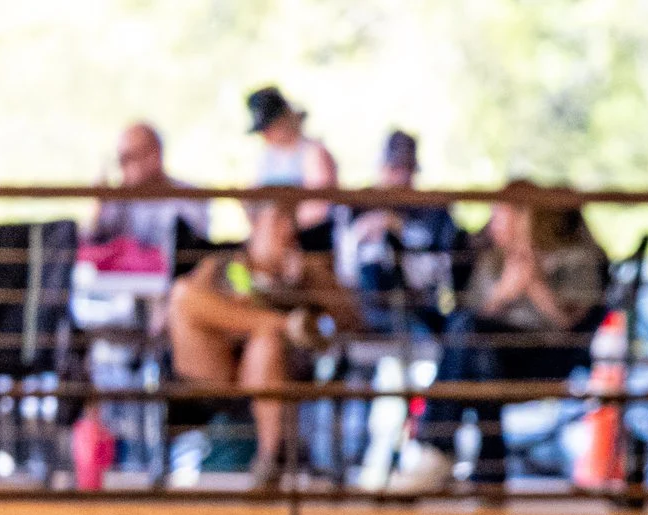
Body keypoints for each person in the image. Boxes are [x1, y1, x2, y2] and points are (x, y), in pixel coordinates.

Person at [419, 183, 608, 485]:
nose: (492, 223)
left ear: (526, 216)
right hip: (491, 357)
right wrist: (503, 295)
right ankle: (487, 468)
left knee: (474, 341)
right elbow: (465, 320)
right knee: (479, 352)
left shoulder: (576, 257)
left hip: (544, 357)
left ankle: (438, 447)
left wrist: (534, 284)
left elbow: (572, 330)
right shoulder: (492, 260)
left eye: (500, 213)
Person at [166, 200, 360, 488]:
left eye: (291, 220)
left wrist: (306, 279)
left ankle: (269, 462)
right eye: (278, 219)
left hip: (276, 371)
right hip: (216, 371)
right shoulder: (220, 266)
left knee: (266, 341)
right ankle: (279, 323)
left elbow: (352, 319)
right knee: (183, 295)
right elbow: (179, 309)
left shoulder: (308, 270)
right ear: (255, 224)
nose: (288, 229)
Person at [344, 129, 466, 337]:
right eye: (394, 168)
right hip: (364, 308)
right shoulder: (357, 206)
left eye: (406, 169)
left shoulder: (434, 211)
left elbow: (439, 269)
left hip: (418, 306)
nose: (400, 177)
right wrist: (363, 233)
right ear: (382, 168)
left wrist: (402, 230)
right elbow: (345, 269)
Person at [86, 123, 210, 273]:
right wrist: (98, 205)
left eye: (128, 158)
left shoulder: (188, 197)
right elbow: (92, 244)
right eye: (119, 160)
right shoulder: (117, 201)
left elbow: (191, 251)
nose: (122, 167)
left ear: (154, 156)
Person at [245, 86, 340, 252]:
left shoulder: (313, 153)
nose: (266, 134)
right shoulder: (266, 158)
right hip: (272, 239)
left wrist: (283, 227)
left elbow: (319, 207)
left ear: (286, 119)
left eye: (270, 126)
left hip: (309, 238)